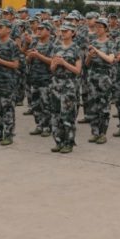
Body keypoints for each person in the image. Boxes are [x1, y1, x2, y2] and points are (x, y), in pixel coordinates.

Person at [49, 22, 82, 153]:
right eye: (62, 31)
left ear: (73, 33)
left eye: (66, 31)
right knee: (56, 115)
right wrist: (56, 64)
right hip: (56, 83)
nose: (63, 33)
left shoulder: (76, 49)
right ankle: (58, 141)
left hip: (69, 84)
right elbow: (51, 68)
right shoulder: (56, 47)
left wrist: (64, 63)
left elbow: (77, 70)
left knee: (67, 115)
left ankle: (69, 142)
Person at [84, 20, 117, 144]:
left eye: (99, 27)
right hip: (92, 76)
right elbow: (86, 64)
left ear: (105, 29)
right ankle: (94, 132)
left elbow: (110, 59)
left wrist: (97, 51)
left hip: (104, 77)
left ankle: (103, 133)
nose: (97, 29)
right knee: (92, 106)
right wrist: (89, 56)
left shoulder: (110, 43)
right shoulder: (92, 42)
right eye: (95, 26)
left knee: (104, 107)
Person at [24, 20, 56, 137]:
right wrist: (30, 56)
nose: (39, 31)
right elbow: (28, 60)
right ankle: (39, 125)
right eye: (38, 29)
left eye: (42, 29)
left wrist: (38, 55)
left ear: (48, 31)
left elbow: (52, 61)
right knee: (35, 104)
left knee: (46, 104)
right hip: (34, 78)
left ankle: (47, 127)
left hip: (46, 79)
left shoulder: (52, 45)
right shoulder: (34, 43)